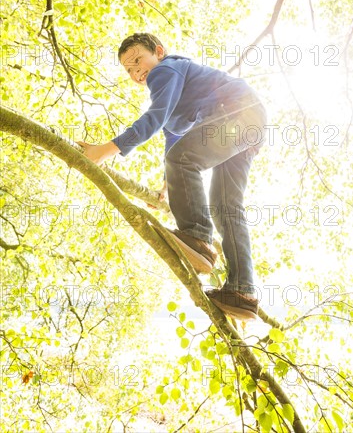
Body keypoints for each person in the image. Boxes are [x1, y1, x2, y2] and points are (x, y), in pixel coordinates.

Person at [78, 33, 267, 320]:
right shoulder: (174, 88)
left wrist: (105, 150)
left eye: (138, 60)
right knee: (226, 206)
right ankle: (243, 291)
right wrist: (169, 185)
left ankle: (198, 237)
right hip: (249, 123)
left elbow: (156, 119)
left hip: (234, 114)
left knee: (183, 161)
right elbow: (174, 139)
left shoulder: (165, 70)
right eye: (128, 69)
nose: (136, 71)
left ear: (159, 51)